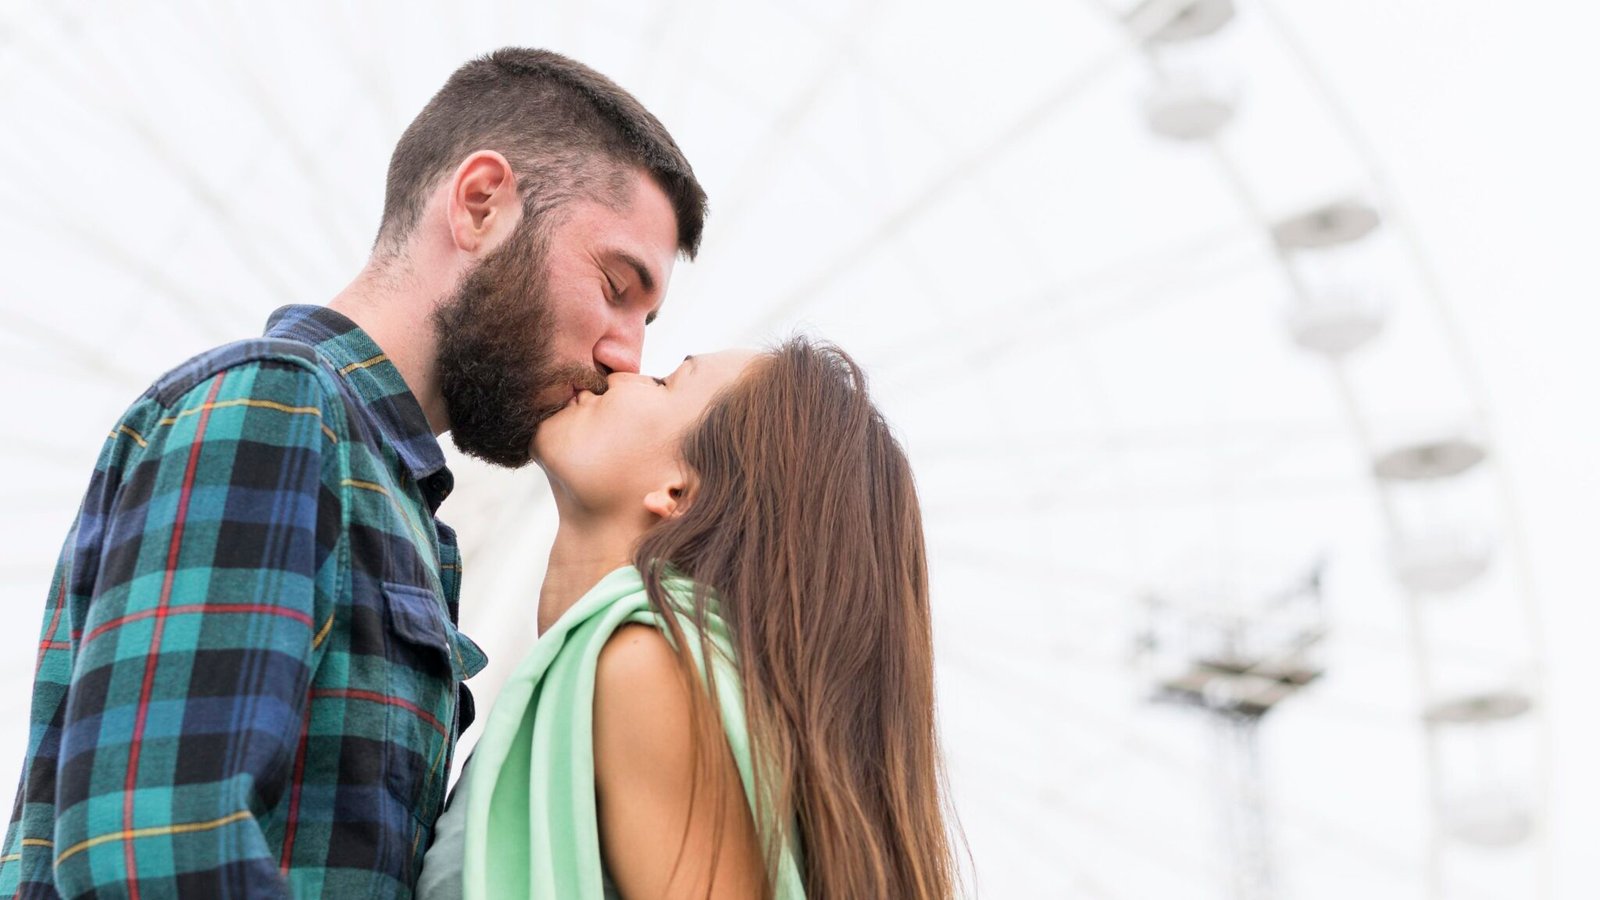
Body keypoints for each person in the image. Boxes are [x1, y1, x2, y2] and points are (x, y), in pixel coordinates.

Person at [0, 47, 706, 897]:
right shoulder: (279, 405)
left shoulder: (395, 501)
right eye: (615, 284)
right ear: (482, 204)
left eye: (647, 318)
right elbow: (159, 851)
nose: (624, 356)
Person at [418, 338, 958, 900]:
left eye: (663, 382)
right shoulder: (650, 673)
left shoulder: (647, 668)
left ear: (679, 490)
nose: (620, 369)